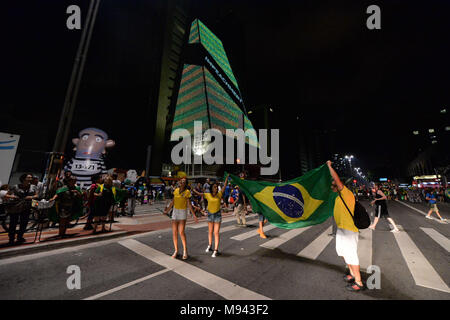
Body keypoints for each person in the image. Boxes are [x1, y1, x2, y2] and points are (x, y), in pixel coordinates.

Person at [327, 161, 364, 292]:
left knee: (351, 254)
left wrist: (329, 167)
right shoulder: (337, 197)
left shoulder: (346, 193)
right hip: (342, 229)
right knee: (341, 252)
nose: (332, 186)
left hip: (349, 229)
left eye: (334, 184)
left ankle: (359, 282)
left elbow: (336, 180)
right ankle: (352, 273)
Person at [193, 175, 229, 257]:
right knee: (210, 232)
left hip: (217, 215)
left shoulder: (219, 194)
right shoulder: (207, 194)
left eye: (217, 187)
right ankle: (209, 245)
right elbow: (199, 193)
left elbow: (224, 186)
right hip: (210, 215)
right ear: (211, 188)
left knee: (216, 233)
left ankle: (216, 250)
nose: (216, 188)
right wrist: (192, 189)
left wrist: (226, 178)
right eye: (214, 187)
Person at [164, 177, 198, 260]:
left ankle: (185, 251)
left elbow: (189, 204)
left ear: (185, 184)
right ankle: (176, 250)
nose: (181, 183)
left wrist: (194, 215)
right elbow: (173, 202)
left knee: (181, 232)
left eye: (183, 182)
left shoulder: (187, 192)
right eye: (181, 181)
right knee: (174, 233)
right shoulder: (175, 190)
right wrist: (167, 211)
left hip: (182, 212)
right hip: (175, 212)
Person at [4, 173, 37, 245]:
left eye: (31, 178)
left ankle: (20, 237)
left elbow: (36, 195)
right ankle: (11, 239)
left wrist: (31, 197)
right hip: (16, 207)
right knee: (13, 223)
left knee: (24, 223)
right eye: (28, 177)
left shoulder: (33, 187)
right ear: (23, 178)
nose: (30, 179)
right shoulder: (16, 186)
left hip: (27, 207)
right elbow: (7, 194)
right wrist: (13, 197)